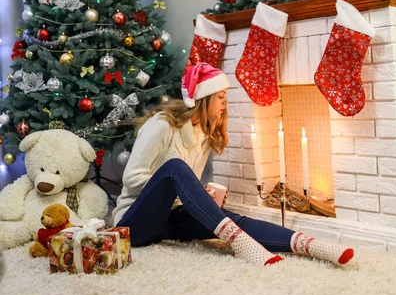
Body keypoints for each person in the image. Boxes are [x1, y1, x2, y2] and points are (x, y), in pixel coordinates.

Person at [113, 63, 354, 267]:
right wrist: (176, 189)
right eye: (220, 96)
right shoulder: (162, 125)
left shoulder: (205, 134)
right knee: (174, 167)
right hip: (133, 225)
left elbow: (184, 186)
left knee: (233, 218)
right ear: (204, 98)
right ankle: (239, 242)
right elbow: (131, 179)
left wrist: (199, 195)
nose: (225, 102)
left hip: (169, 221)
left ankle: (312, 246)